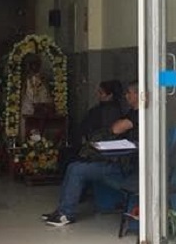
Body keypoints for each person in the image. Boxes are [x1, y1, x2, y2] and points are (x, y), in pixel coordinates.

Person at [43, 81, 139, 227]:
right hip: (115, 160)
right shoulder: (130, 112)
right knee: (72, 165)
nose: (126, 96)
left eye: (129, 93)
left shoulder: (140, 115)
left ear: (139, 94)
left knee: (77, 170)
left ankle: (66, 214)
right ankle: (62, 210)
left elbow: (116, 128)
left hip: (124, 167)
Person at [75, 80, 124, 150]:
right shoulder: (101, 108)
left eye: (101, 93)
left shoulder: (111, 111)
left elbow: (106, 131)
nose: (97, 95)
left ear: (110, 95)